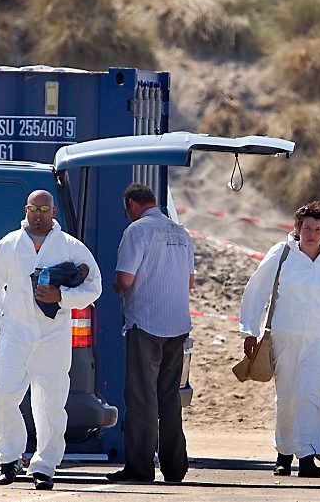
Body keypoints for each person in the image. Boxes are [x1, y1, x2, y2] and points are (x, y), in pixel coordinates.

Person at [0, 190, 102, 491]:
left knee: (50, 402)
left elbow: (94, 286)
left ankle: (45, 467)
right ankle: (9, 459)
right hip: (15, 331)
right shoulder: (10, 244)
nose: (38, 214)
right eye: (33, 208)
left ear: (53, 212)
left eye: (44, 208)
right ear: (26, 210)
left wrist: (63, 296)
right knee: (3, 393)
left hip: (52, 334)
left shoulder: (70, 247)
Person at [239, 201, 320, 478]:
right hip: (285, 338)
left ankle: (307, 455)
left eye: (317, 229)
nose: (311, 234)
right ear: (297, 229)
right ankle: (284, 453)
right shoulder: (281, 255)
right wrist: (249, 330)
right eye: (307, 228)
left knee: (312, 395)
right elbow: (256, 291)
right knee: (287, 397)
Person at [107, 184, 195, 484]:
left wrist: (116, 290)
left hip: (145, 323)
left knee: (142, 396)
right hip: (178, 325)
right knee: (169, 396)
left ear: (131, 203)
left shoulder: (137, 232)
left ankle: (140, 467)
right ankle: (175, 467)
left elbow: (125, 279)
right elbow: (190, 283)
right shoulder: (182, 233)